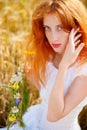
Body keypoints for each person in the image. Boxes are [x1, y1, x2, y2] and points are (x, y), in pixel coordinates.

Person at [1, 0, 87, 130]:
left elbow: (53, 116)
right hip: (35, 122)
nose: (53, 37)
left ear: (75, 27)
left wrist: (63, 66)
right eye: (48, 28)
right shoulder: (50, 57)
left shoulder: (83, 72)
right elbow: (46, 92)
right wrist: (30, 74)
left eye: (60, 28)